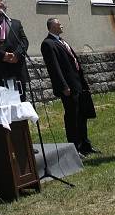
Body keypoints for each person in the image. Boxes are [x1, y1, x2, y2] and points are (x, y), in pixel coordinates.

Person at [40, 18, 100, 157]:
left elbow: (74, 62)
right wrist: (64, 86)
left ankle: (85, 144)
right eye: (58, 24)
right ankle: (75, 148)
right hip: (68, 87)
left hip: (78, 84)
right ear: (51, 27)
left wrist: (83, 82)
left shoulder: (62, 41)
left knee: (82, 115)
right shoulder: (48, 44)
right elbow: (54, 68)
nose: (61, 25)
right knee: (72, 117)